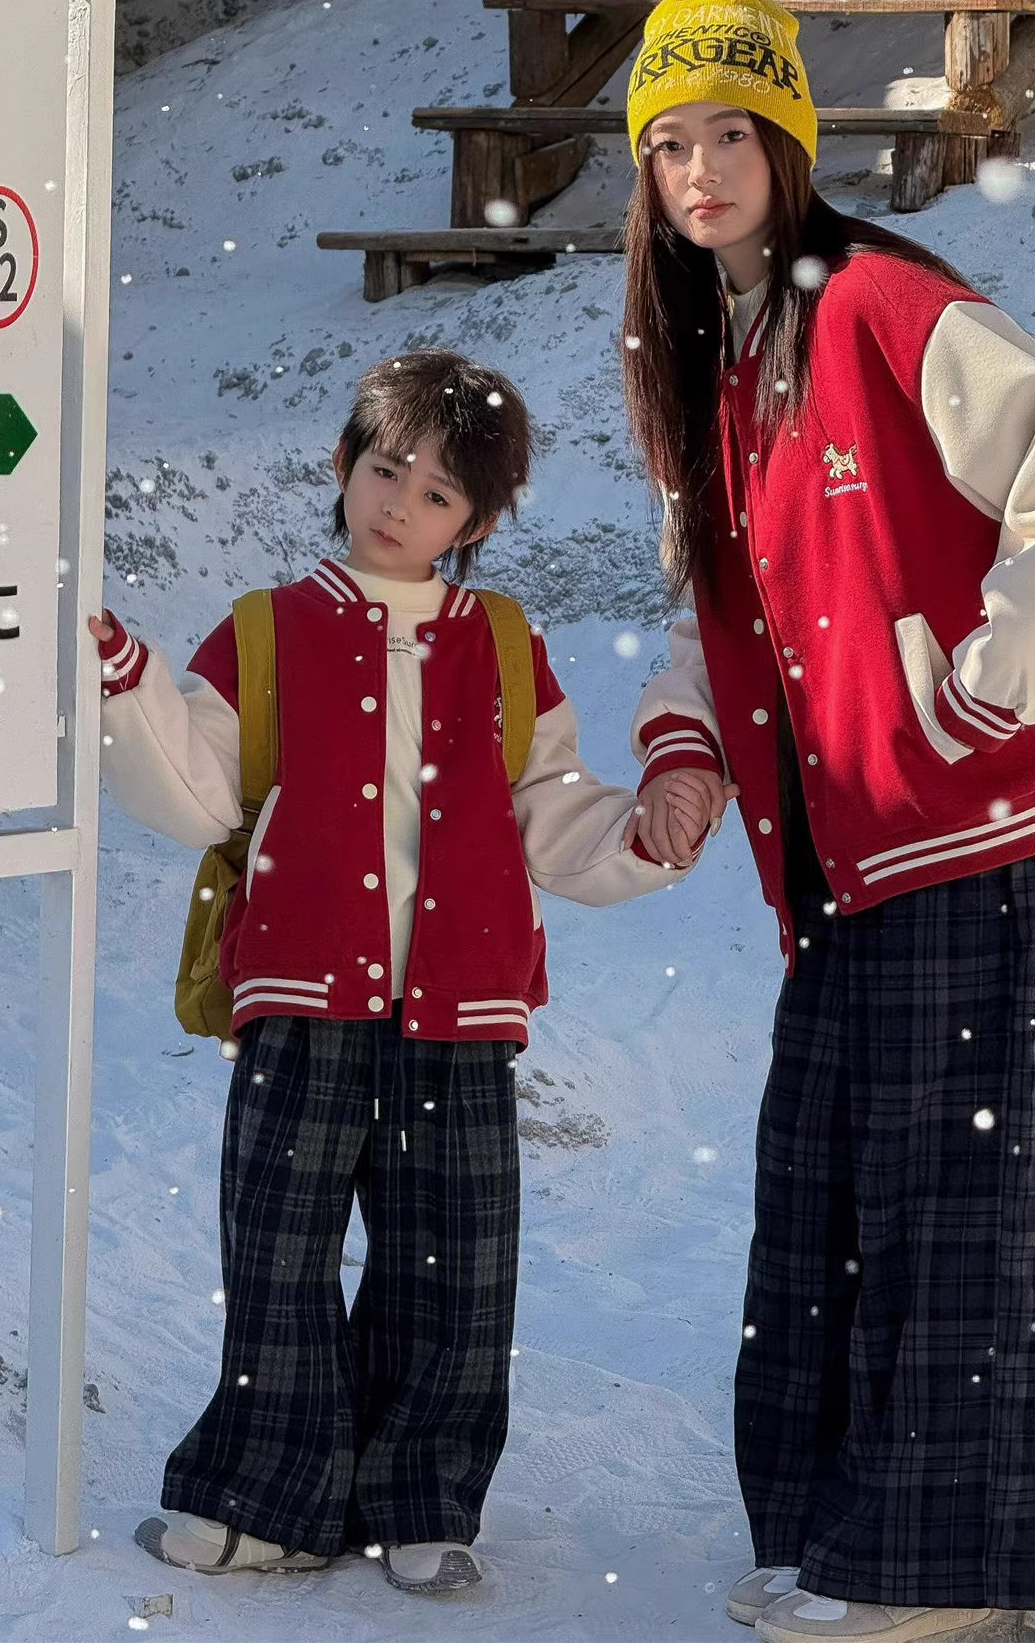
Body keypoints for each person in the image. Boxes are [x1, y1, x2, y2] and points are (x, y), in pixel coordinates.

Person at [618, 0, 1035, 1642]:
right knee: (830, 1192)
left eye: (732, 133)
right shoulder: (717, 365)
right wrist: (687, 746)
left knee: (962, 1206)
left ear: (789, 144)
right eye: (668, 143)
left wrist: (983, 686)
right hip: (848, 863)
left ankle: (946, 1587)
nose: (701, 168)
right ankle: (845, 1537)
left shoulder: (876, 302)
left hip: (975, 833)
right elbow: (719, 610)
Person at [90, 349, 709, 1599]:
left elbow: (548, 810)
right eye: (384, 469)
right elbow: (200, 782)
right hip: (302, 993)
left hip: (463, 1008)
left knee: (459, 1264)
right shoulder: (267, 630)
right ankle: (267, 1494)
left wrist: (638, 836)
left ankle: (423, 1496)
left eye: (435, 493)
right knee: (278, 1248)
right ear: (343, 466)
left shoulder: (503, 643)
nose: (399, 504)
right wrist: (125, 680)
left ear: (473, 522)